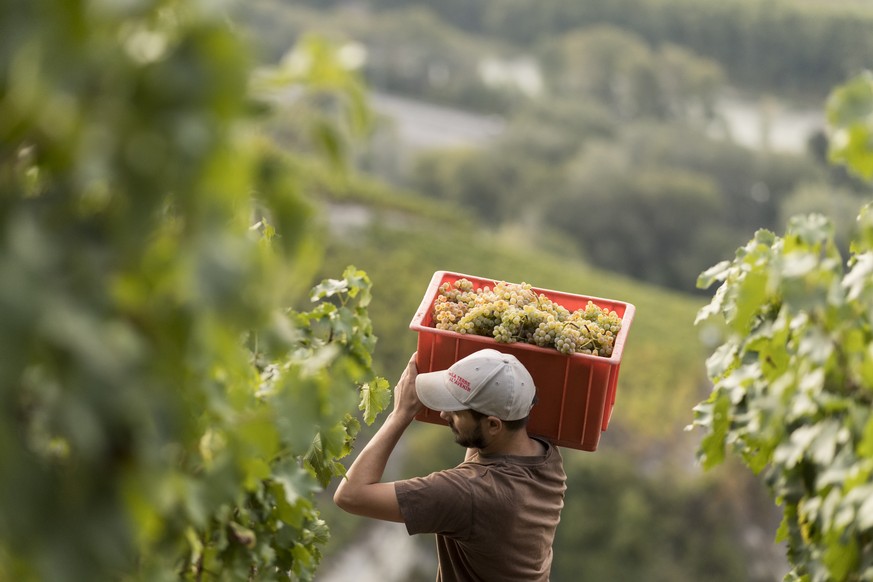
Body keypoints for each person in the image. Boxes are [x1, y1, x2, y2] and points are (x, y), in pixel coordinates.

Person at [333, 348, 567, 581]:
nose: (444, 413)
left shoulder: (468, 494)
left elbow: (351, 495)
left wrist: (400, 414)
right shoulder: (547, 457)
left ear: (494, 425)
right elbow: (478, 454)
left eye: (456, 410)